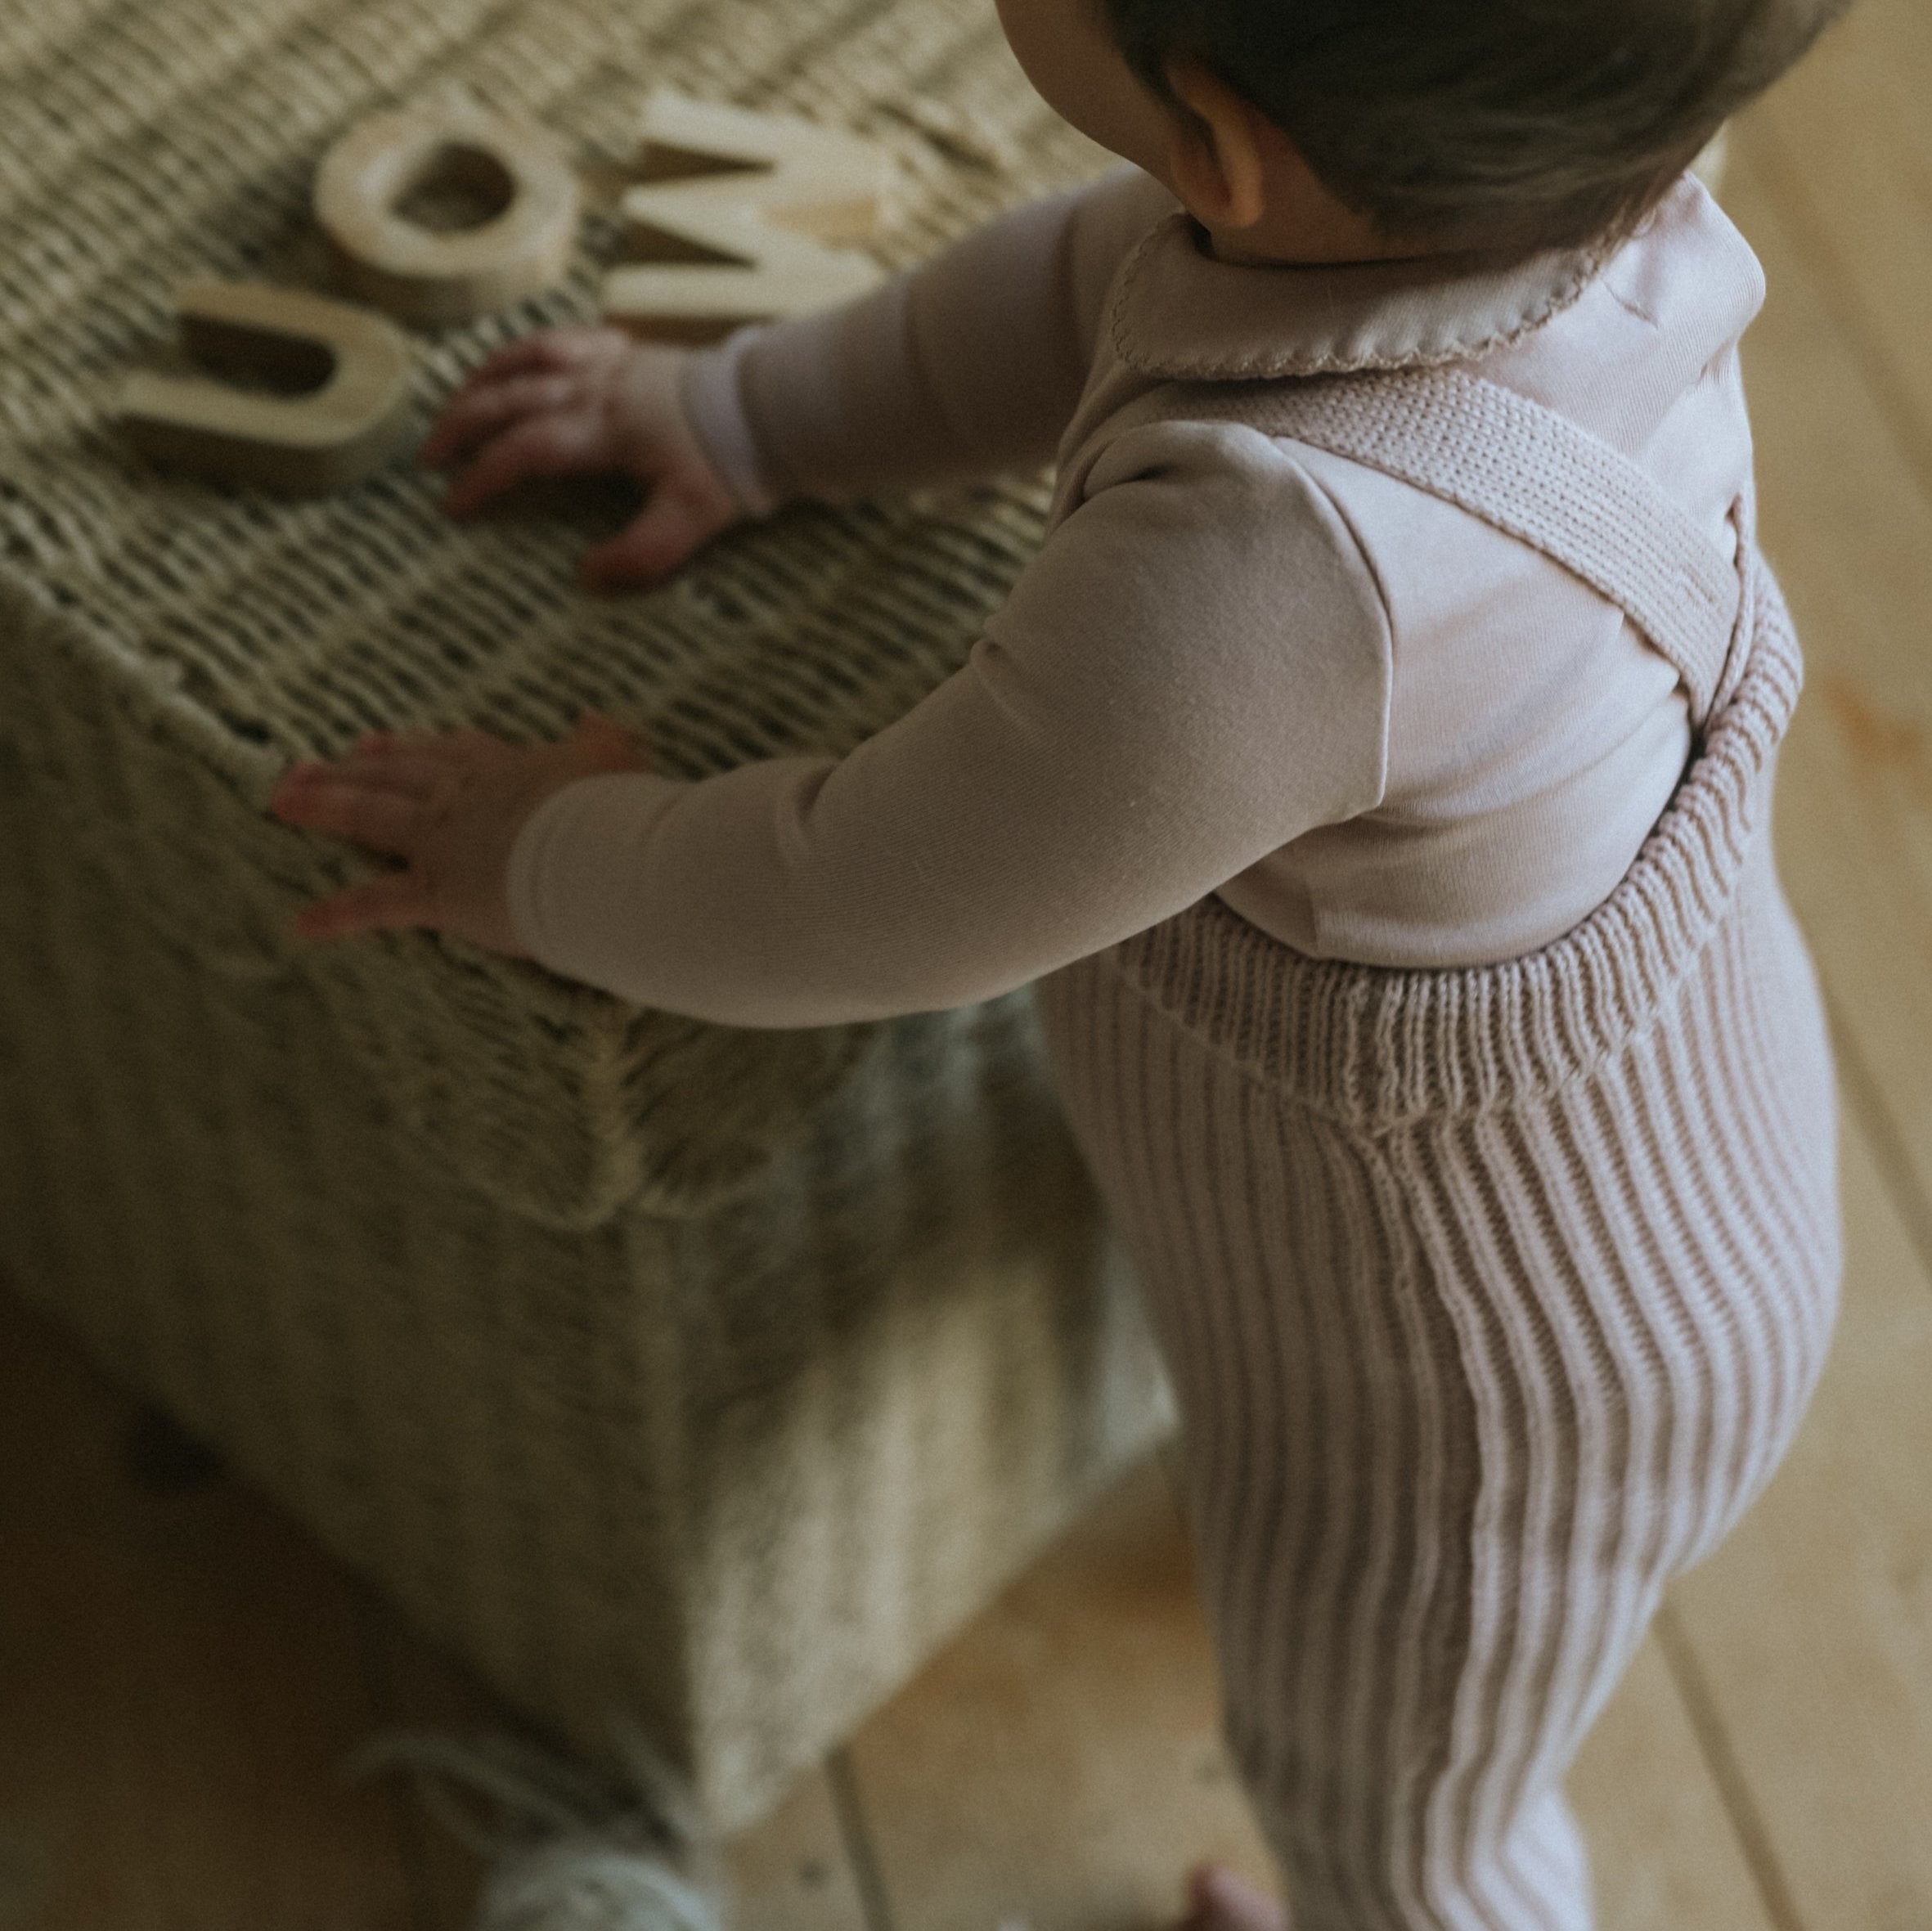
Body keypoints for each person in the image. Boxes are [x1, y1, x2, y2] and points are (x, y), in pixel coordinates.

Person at [270, 1, 1849, 1923]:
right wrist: (741, 413)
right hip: (1673, 1159)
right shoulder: (1549, 210)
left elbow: (846, 893)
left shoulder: (1277, 574)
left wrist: (539, 851)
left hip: (1485, 1386)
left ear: (1222, 144)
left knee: (1388, 1796)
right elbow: (1077, 292)